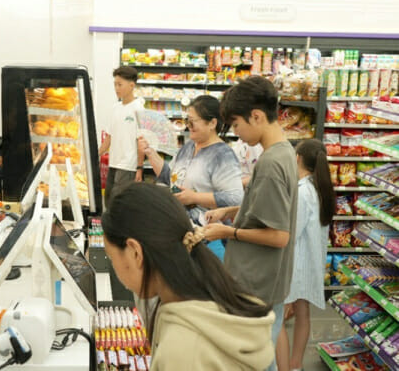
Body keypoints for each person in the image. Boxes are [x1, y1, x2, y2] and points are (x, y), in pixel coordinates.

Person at [102, 182, 275, 370]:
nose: (114, 266)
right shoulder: (210, 299)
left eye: (112, 257)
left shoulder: (182, 353)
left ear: (135, 252)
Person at [203, 76, 298, 371]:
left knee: (253, 361)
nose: (236, 133)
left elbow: (279, 235)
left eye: (236, 125)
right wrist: (231, 210)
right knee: (260, 356)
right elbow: (268, 208)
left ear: (256, 116)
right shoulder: (283, 152)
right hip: (267, 281)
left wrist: (227, 232)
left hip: (258, 283)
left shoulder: (270, 164)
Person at [138, 95, 243, 260]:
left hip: (207, 240)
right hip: (181, 234)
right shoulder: (188, 147)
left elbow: (235, 198)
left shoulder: (223, 155)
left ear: (212, 123)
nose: (189, 126)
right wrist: (150, 153)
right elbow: (169, 177)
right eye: (187, 121)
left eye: (193, 121)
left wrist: (194, 197)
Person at [276, 139, 335, 371]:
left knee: (277, 318)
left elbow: (291, 232)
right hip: (310, 262)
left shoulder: (302, 192)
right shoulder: (319, 189)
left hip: (295, 263)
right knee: (303, 313)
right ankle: (296, 364)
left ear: (298, 158)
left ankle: (283, 366)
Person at [98, 66, 145, 206]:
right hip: (114, 162)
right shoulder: (115, 108)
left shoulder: (138, 109)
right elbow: (109, 138)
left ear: (131, 85)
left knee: (118, 204)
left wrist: (139, 168)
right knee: (108, 201)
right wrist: (95, 154)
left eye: (120, 84)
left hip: (128, 165)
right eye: (115, 84)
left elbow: (140, 141)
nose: (116, 88)